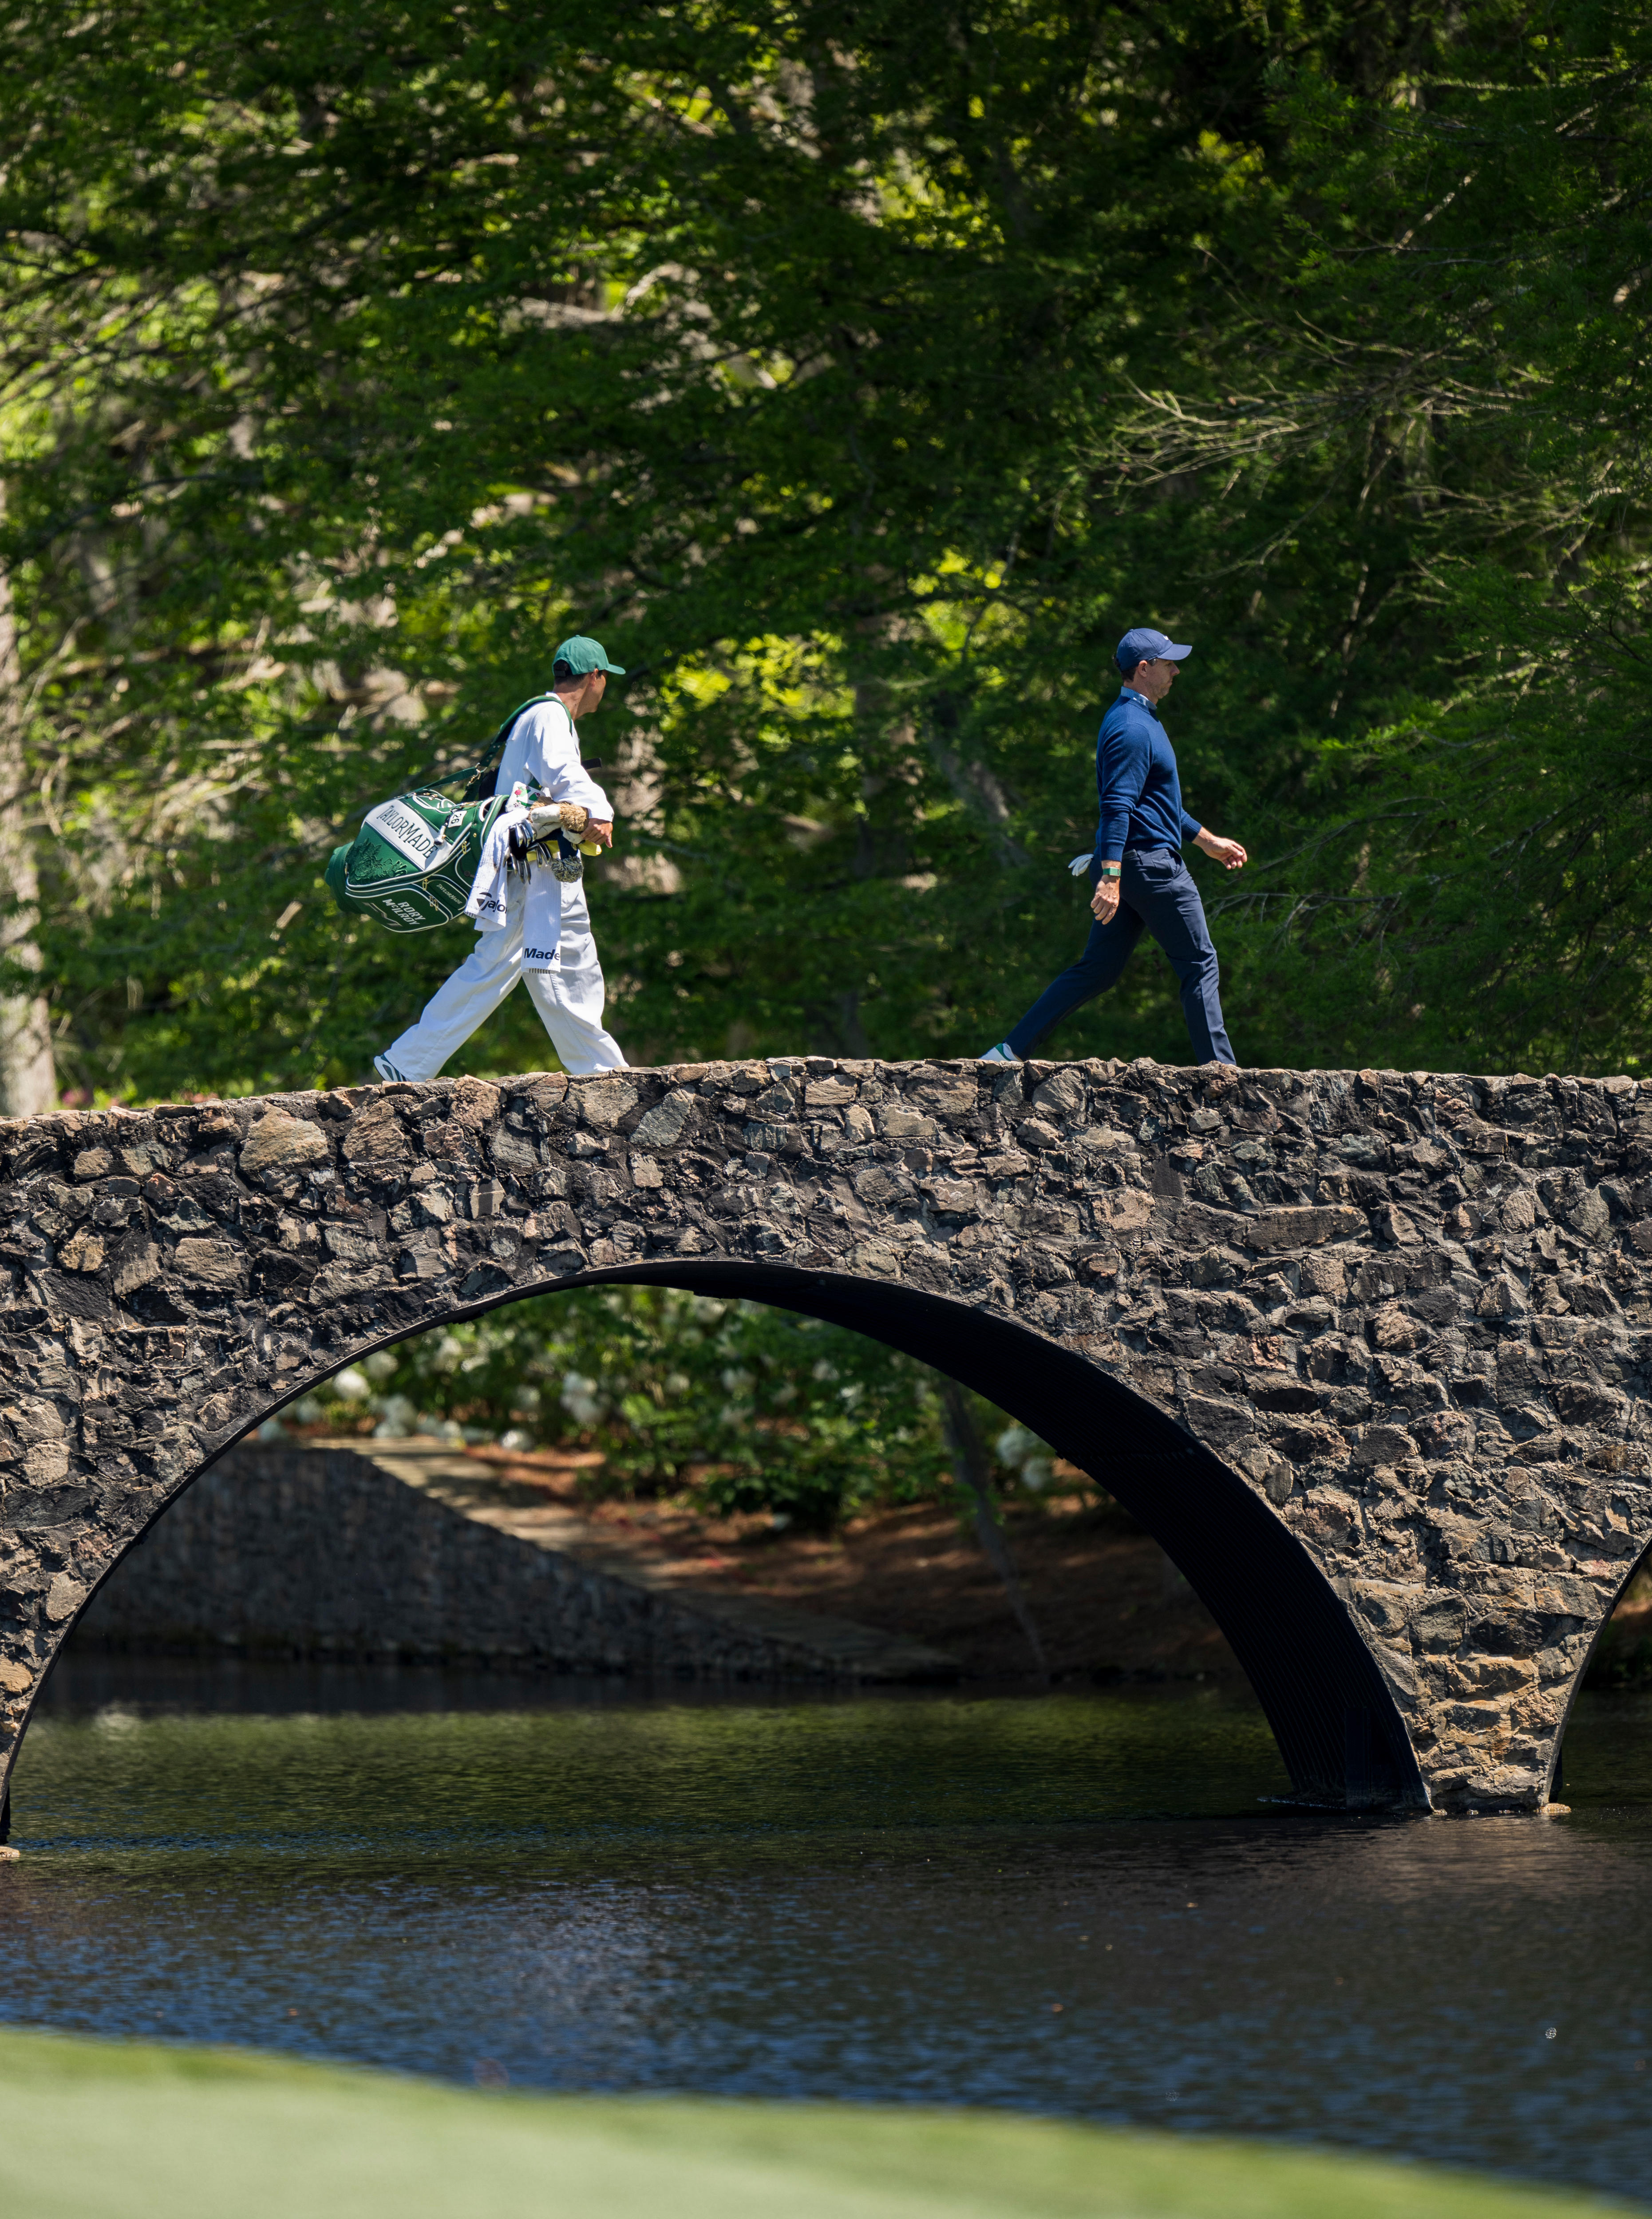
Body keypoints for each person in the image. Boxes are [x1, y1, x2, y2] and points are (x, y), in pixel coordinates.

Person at [980, 626, 1246, 1068]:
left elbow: (1157, 804)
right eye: (1167, 663)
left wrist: (1206, 840)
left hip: (1134, 868)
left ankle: (1006, 1052)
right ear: (1143, 669)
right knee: (1199, 963)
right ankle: (1222, 1074)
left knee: (1097, 970)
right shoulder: (1131, 727)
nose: (1175, 670)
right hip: (1151, 870)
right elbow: (1117, 805)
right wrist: (1109, 877)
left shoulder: (1139, 719)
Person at [372, 636, 628, 1082]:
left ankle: (409, 1062)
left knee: (523, 960)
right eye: (606, 679)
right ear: (595, 677)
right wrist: (600, 811)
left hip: (534, 858)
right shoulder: (550, 715)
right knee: (553, 960)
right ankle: (601, 1072)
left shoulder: (540, 715)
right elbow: (563, 773)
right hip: (536, 861)